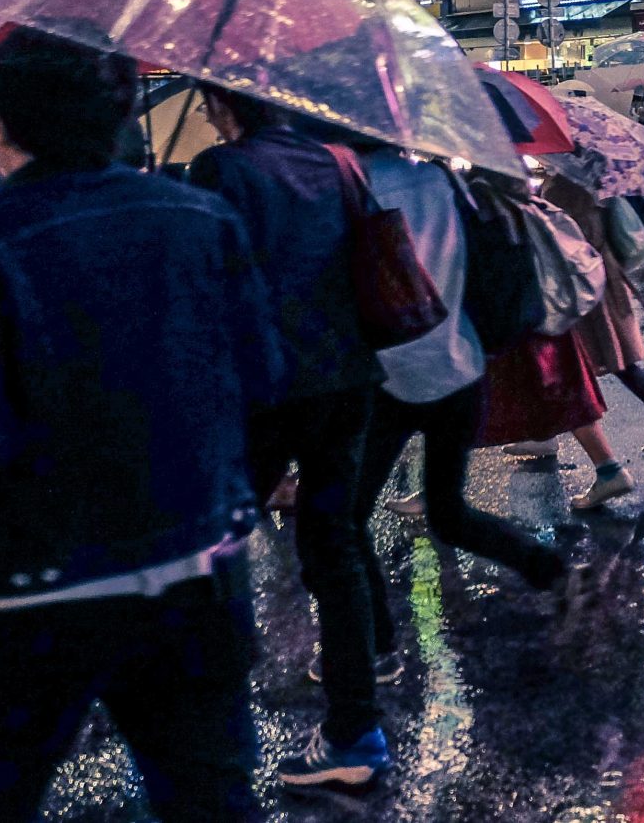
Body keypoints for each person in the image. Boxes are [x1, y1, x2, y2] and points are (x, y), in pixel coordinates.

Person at [0, 29, 284, 822]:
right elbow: (263, 377)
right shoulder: (204, 220)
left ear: (1, 122)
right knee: (212, 799)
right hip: (197, 562)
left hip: (41, 584)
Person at [187, 88, 389, 791]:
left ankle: (208, 725)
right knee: (334, 548)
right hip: (348, 376)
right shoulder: (335, 160)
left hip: (265, 384)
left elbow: (210, 285)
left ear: (220, 101)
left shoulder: (221, 170)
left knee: (213, 540)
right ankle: (356, 729)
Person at [351, 143, 568, 682]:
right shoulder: (440, 180)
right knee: (446, 512)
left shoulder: (350, 189)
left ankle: (375, 644)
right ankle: (543, 564)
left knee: (345, 518)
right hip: (458, 363)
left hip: (391, 375)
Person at [536, 170, 644, 502]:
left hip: (583, 283)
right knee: (604, 361)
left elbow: (569, 236)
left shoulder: (567, 183)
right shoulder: (589, 177)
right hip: (597, 276)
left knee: (583, 361)